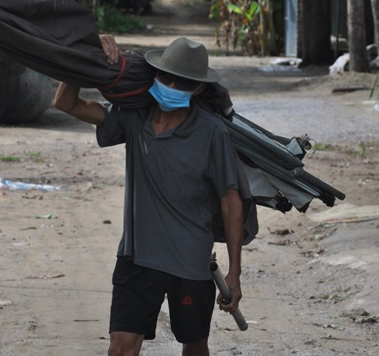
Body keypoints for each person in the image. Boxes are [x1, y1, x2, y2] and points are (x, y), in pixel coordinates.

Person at [54, 35, 244, 356]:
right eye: (164, 76)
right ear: (154, 74)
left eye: (180, 81)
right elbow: (66, 103)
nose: (169, 84)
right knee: (120, 347)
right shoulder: (133, 117)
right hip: (136, 257)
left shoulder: (212, 133)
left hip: (189, 262)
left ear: (196, 89)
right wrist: (86, 55)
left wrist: (235, 273)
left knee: (195, 344)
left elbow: (231, 202)